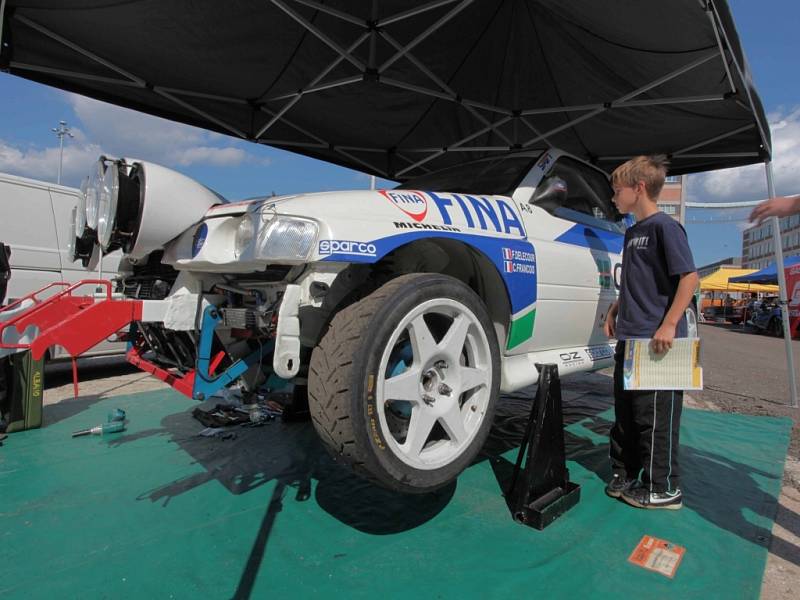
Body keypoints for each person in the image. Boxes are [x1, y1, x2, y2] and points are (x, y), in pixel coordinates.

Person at [603, 156, 699, 510]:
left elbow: (689, 278)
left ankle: (664, 488)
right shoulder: (631, 233)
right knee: (625, 414)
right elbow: (633, 281)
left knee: (655, 418)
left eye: (617, 190)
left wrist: (669, 323)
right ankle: (626, 472)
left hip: (658, 341)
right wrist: (615, 309)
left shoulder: (665, 228)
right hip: (629, 337)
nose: (613, 197)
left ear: (638, 188)